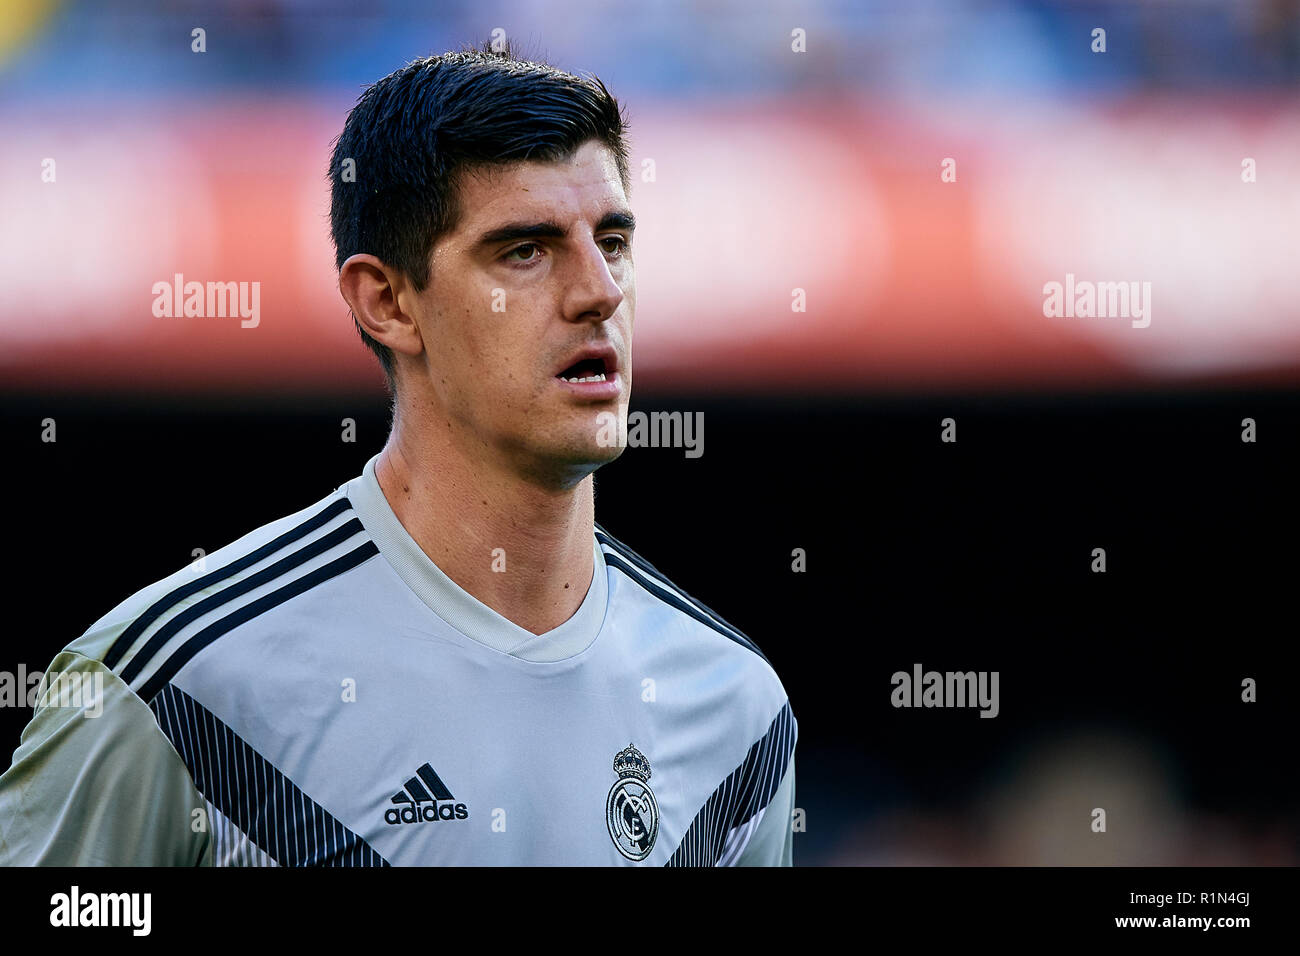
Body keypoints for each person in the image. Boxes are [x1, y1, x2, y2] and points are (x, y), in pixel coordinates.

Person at [0, 45, 796, 866]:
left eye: (615, 240)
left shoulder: (734, 709)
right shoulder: (173, 685)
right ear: (387, 301)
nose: (600, 291)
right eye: (525, 249)